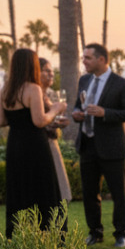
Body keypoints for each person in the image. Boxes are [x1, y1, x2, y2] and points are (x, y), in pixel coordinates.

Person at [71, 43, 125, 248]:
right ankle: (95, 232)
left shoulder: (121, 84)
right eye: (83, 58)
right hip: (87, 145)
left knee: (118, 193)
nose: (84, 61)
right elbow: (77, 105)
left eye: (88, 58)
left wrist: (105, 113)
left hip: (112, 147)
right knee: (90, 193)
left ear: (101, 59)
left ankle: (120, 234)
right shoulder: (84, 80)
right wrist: (76, 114)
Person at [0, 48, 66, 238]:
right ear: (32, 65)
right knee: (43, 190)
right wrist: (56, 110)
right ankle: (49, 237)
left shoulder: (6, 89)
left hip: (15, 145)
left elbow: (0, 121)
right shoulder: (32, 88)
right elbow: (39, 120)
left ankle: (18, 237)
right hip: (35, 146)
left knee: (19, 191)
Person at [38, 57, 72, 202]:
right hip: (40, 144)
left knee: (59, 187)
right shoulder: (33, 93)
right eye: (47, 71)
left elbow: (50, 118)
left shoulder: (51, 94)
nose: (52, 74)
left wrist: (59, 123)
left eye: (52, 71)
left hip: (52, 141)